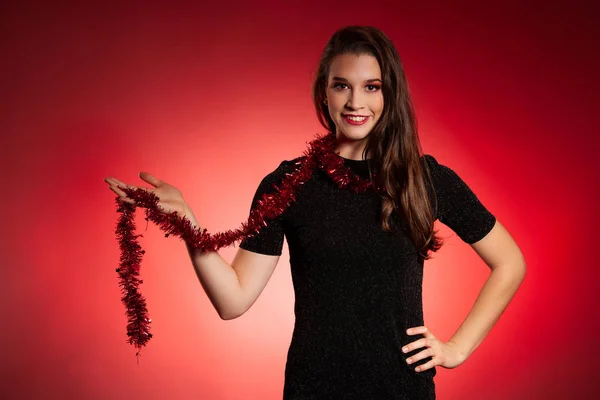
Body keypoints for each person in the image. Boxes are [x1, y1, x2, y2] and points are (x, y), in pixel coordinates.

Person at [104, 26, 526, 400]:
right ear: (324, 91)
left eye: (372, 86)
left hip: (403, 390)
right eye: (342, 85)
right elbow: (232, 301)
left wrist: (457, 348)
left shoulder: (426, 179)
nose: (355, 101)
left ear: (390, 92)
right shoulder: (290, 184)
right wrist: (186, 222)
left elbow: (510, 263)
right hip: (314, 387)